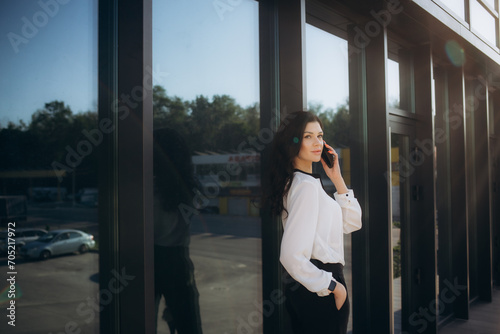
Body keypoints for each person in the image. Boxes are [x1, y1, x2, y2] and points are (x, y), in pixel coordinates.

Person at [265, 111, 362, 334]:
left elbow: (352, 223)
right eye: (308, 136)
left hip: (314, 286)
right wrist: (333, 287)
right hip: (321, 286)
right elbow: (290, 256)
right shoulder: (305, 186)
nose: (317, 142)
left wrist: (337, 178)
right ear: (294, 142)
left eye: (320, 136)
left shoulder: (303, 183)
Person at [153, 127, 203, 334]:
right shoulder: (188, 188)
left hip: (148, 257)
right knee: (189, 325)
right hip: (178, 259)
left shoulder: (145, 187)